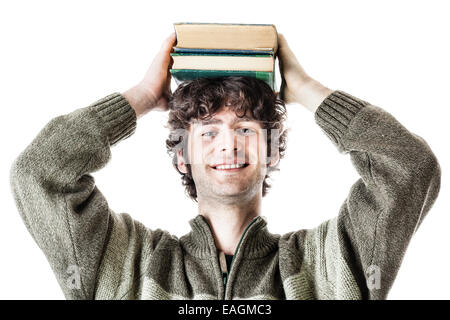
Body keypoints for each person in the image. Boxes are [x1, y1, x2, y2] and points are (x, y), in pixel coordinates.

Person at [10, 32, 441, 300]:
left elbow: (410, 167)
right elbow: (39, 174)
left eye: (246, 129)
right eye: (209, 131)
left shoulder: (329, 262)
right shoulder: (125, 262)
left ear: (271, 151)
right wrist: (141, 96)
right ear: (182, 154)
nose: (228, 144)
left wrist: (308, 90)